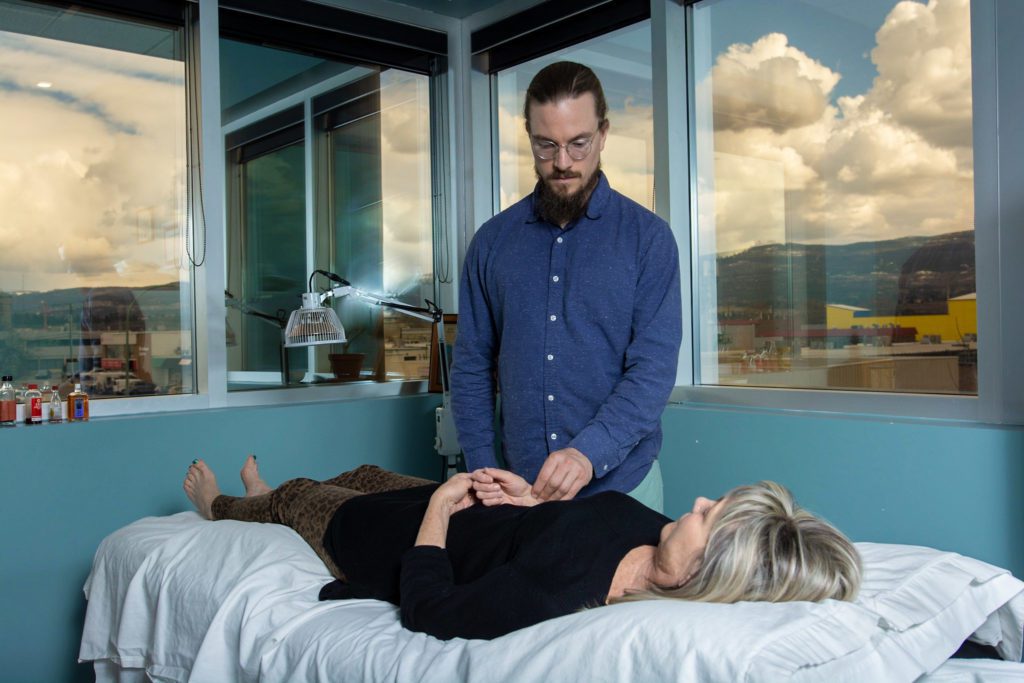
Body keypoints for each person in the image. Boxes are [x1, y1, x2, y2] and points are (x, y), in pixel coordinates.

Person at [183, 458, 862, 641]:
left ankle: (227, 504)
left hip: (421, 536)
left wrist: (440, 511)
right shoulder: (657, 536)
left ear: (702, 570)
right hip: (489, 511)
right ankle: (272, 496)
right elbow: (583, 522)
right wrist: (535, 502)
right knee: (363, 471)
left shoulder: (562, 595)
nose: (701, 503)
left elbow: (430, 607)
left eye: (710, 517)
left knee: (308, 496)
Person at [450, 61, 682, 512]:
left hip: (623, 489)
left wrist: (587, 453)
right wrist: (482, 474)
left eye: (579, 144)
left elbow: (652, 371)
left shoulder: (648, 239)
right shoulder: (492, 242)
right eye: (546, 145)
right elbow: (472, 367)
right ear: (528, 136)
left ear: (604, 133)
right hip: (514, 492)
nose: (562, 163)